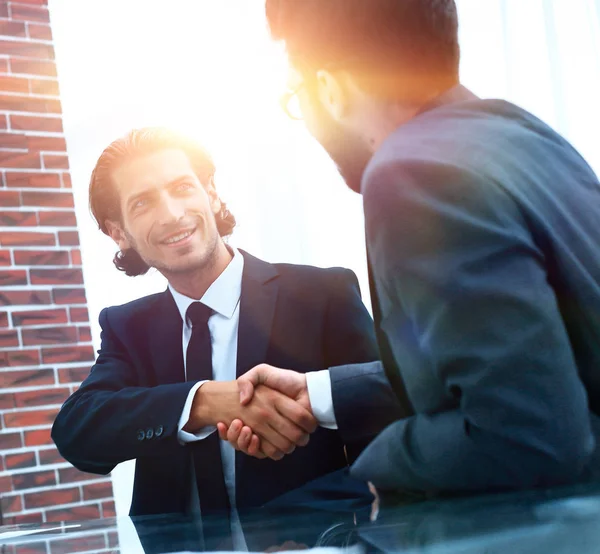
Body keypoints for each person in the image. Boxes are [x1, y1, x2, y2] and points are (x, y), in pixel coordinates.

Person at [222, 0, 600, 495]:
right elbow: (524, 358)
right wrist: (322, 395)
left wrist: (380, 463)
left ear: (331, 90)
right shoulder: (526, 134)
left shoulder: (414, 173)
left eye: (299, 95)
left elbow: (527, 438)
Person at [51, 128, 381, 542]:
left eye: (183, 187)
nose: (172, 214)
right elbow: (78, 432)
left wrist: (319, 537)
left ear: (211, 192)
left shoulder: (321, 295)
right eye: (143, 202)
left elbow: (389, 434)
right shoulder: (127, 327)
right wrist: (203, 402)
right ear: (119, 233)